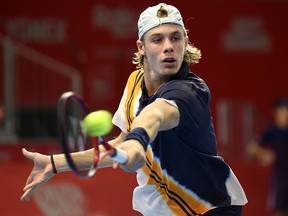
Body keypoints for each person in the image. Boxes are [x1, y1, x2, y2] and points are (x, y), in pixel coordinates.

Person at [21, 3, 247, 216]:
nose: (168, 46)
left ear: (185, 42)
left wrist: (137, 142)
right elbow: (121, 143)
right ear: (141, 47)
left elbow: (155, 116)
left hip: (209, 209)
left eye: (175, 38)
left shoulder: (190, 91)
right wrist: (54, 164)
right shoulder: (134, 82)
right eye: (157, 39)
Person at [248, 98, 288, 216]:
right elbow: (252, 148)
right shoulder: (272, 131)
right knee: (279, 210)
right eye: (283, 111)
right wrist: (266, 154)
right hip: (280, 178)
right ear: (276, 113)